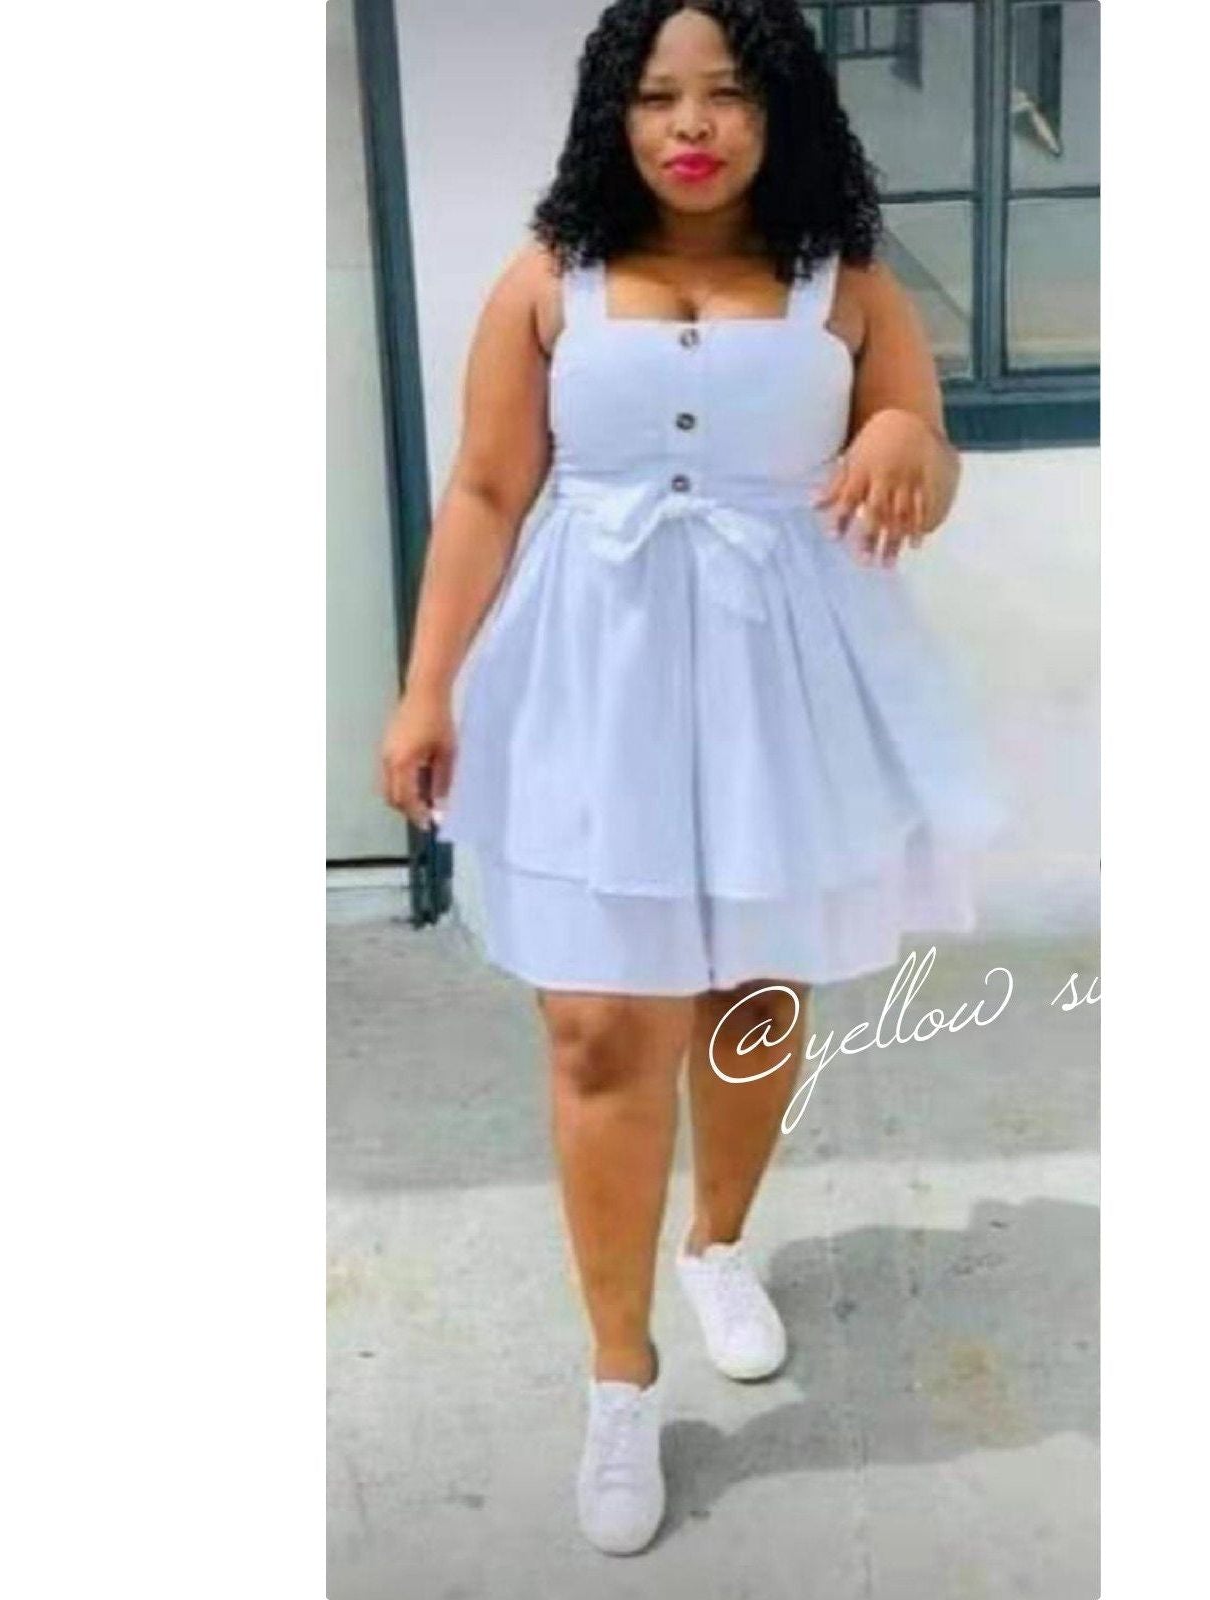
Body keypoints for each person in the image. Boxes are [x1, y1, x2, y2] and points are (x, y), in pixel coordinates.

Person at [378, 0, 1004, 1558]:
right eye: (658, 96)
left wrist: (910, 444)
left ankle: (717, 1243)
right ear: (618, 114)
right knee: (598, 1023)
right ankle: (619, 1377)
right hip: (587, 687)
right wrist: (428, 685)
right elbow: (485, 489)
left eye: (727, 92)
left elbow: (921, 458)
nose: (692, 124)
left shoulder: (848, 285)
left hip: (780, 688)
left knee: (751, 997)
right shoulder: (550, 281)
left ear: (784, 109)